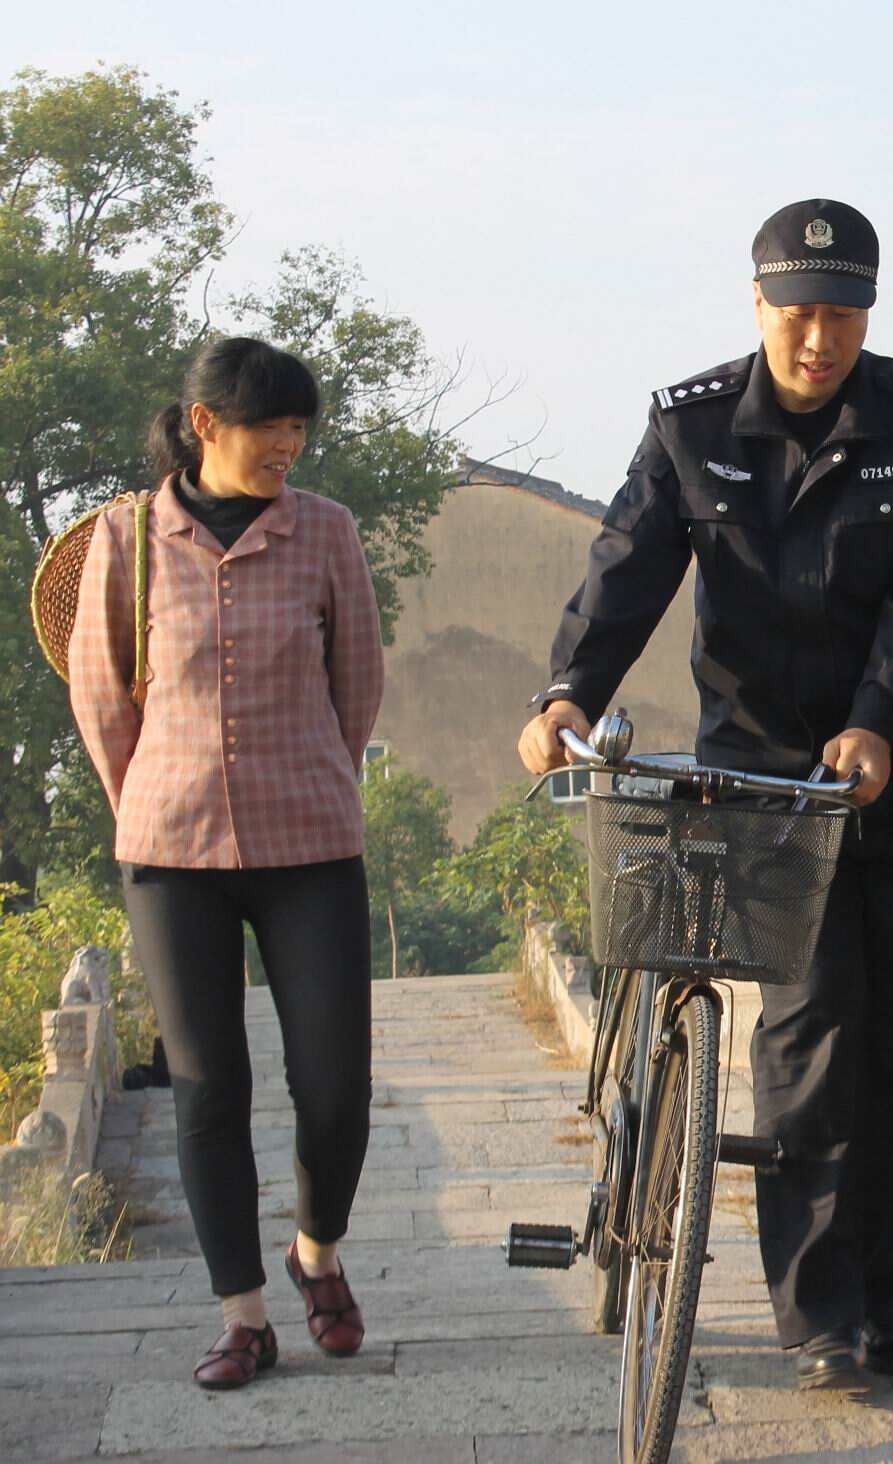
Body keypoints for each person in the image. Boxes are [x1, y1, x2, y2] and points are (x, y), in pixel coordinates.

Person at [518, 200, 893, 1392]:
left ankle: (891, 1287)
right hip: (766, 786)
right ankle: (820, 1311)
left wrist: (877, 721)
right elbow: (626, 568)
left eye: (843, 315)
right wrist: (568, 693)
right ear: (759, 303)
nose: (820, 340)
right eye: (799, 313)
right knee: (813, 1040)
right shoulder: (690, 426)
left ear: (869, 314)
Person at [68, 337, 384, 1389]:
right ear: (207, 426)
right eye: (270, 428)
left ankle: (316, 1255)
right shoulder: (126, 536)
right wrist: (149, 800)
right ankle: (242, 1317)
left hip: (311, 845)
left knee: (334, 1084)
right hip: (172, 854)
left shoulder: (326, 532)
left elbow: (360, 680)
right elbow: (101, 692)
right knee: (209, 1089)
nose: (288, 446)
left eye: (300, 430)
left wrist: (317, 777)